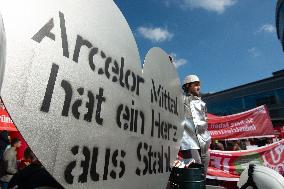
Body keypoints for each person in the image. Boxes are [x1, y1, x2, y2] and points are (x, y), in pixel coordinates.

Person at [179, 75, 211, 175]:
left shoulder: (202, 103)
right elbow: (169, 89)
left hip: (204, 142)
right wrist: (168, 64)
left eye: (199, 85)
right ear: (188, 85)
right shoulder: (181, 99)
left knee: (203, 175)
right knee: (195, 173)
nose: (199, 87)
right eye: (196, 84)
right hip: (189, 142)